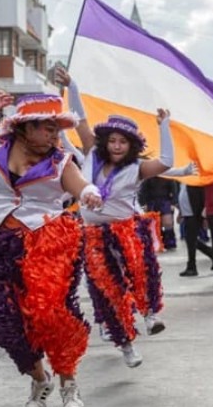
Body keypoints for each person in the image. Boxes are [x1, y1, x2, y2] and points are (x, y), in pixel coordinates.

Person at [0, 89, 102, 407]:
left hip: (45, 241)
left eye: (57, 127)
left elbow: (79, 184)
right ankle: (39, 377)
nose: (53, 133)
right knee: (3, 321)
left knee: (49, 313)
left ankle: (68, 382)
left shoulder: (60, 159)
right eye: (46, 126)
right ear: (25, 127)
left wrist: (89, 193)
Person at [63, 69, 172, 368]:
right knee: (107, 288)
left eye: (123, 142)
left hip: (126, 229)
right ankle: (126, 345)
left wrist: (164, 127)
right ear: (104, 141)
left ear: (131, 146)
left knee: (140, 270)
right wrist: (73, 85)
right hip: (93, 233)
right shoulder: (90, 156)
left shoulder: (136, 168)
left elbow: (167, 162)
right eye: (112, 140)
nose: (117, 146)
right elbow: (80, 118)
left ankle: (150, 315)